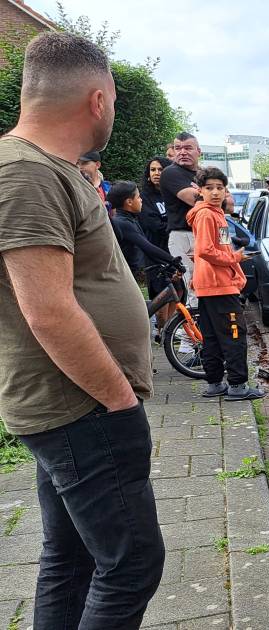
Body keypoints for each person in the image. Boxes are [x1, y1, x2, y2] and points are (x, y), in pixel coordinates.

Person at [0, 32, 165, 627]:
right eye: (115, 103)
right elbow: (48, 310)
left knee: (70, 558)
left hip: (76, 406)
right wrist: (119, 401)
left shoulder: (47, 170)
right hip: (83, 408)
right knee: (132, 564)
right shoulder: (25, 175)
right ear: (98, 100)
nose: (114, 114)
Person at [186, 167, 263, 401]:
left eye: (220, 188)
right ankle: (238, 385)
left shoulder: (213, 214)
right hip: (219, 286)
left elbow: (215, 249)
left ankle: (215, 383)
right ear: (200, 191)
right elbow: (206, 251)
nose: (215, 192)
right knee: (234, 335)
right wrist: (236, 259)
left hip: (209, 285)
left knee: (211, 337)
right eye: (209, 188)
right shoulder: (208, 215)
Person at [160, 132, 233, 304]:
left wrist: (204, 194)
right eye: (178, 148)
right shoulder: (171, 173)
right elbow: (195, 201)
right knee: (196, 285)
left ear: (199, 151)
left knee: (224, 278)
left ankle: (214, 326)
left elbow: (230, 206)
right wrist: (212, 196)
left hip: (218, 230)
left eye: (188, 148)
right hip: (185, 235)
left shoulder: (207, 173)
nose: (182, 152)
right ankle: (190, 331)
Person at [109, 180, 177, 274]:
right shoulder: (122, 222)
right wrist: (174, 261)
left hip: (131, 273)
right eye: (138, 197)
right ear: (129, 202)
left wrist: (171, 266)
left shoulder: (130, 219)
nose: (141, 200)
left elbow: (148, 251)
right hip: (122, 275)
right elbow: (147, 247)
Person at [139, 156, 170, 251]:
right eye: (153, 170)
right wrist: (176, 227)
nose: (156, 173)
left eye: (161, 169)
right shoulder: (143, 196)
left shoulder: (176, 194)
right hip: (157, 248)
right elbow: (153, 225)